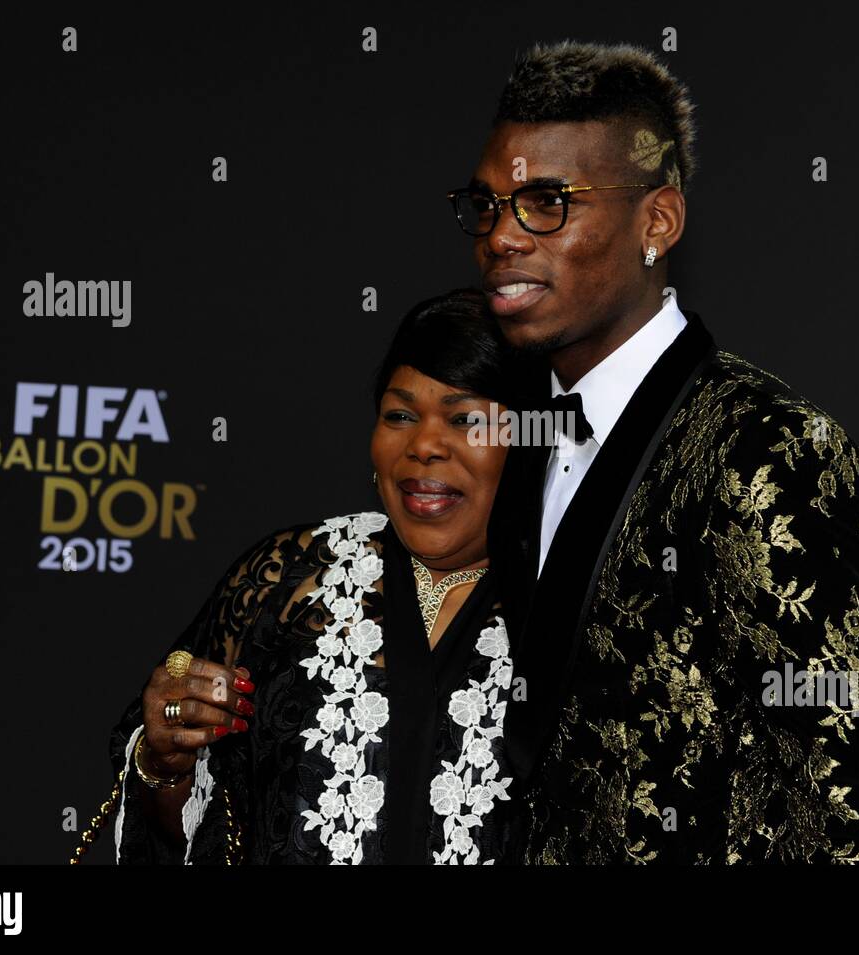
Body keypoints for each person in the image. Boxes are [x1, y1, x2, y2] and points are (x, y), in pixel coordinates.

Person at [448, 40, 859, 863]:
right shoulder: (519, 437)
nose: (502, 235)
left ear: (657, 221)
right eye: (488, 204)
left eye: (546, 201)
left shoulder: (770, 448)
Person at [71, 288, 538, 864]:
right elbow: (190, 832)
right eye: (399, 415)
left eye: (465, 419)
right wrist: (165, 761)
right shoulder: (291, 579)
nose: (423, 446)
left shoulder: (574, 604)